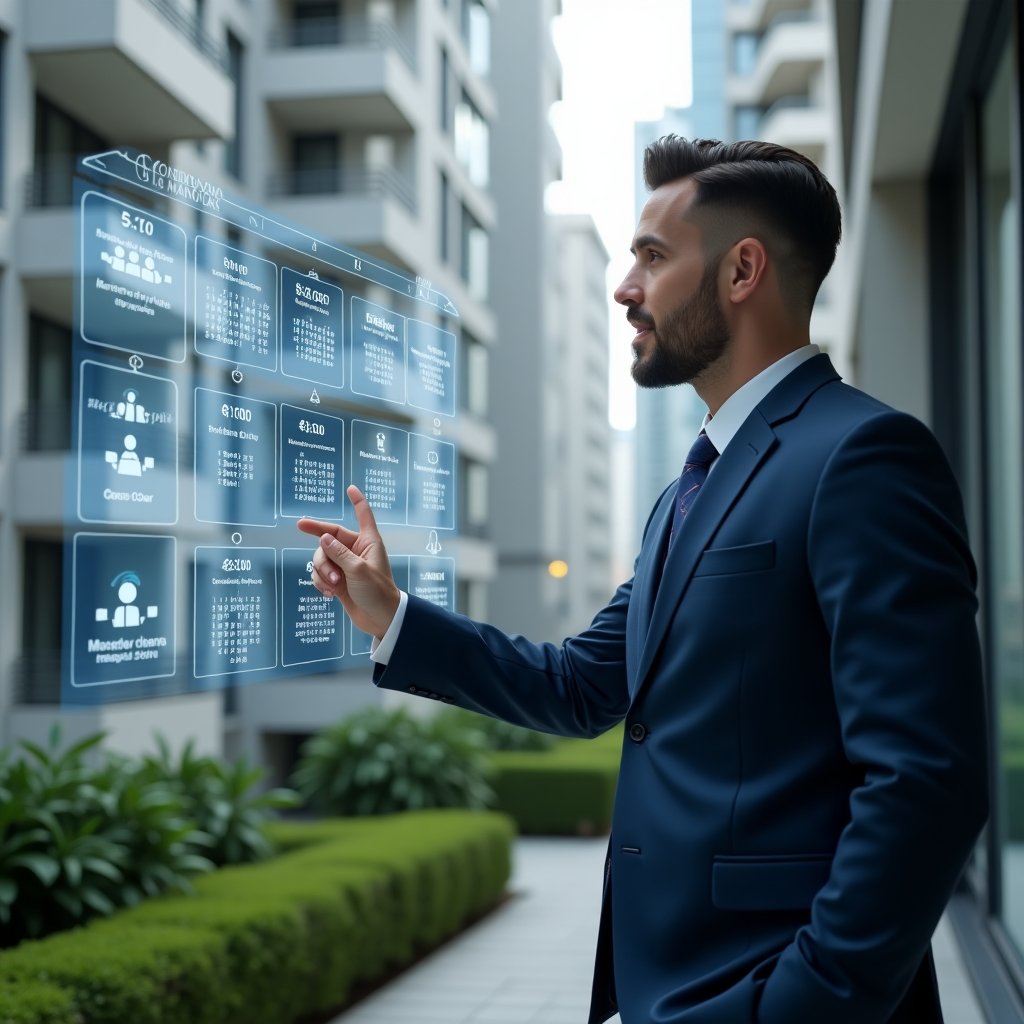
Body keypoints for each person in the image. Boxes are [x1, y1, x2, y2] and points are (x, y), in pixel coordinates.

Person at [298, 136, 988, 1024]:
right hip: (661, 992)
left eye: (653, 258)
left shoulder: (864, 457)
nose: (625, 288)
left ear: (743, 270)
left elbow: (927, 782)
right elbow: (585, 684)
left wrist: (795, 1006)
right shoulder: (683, 494)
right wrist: (393, 616)